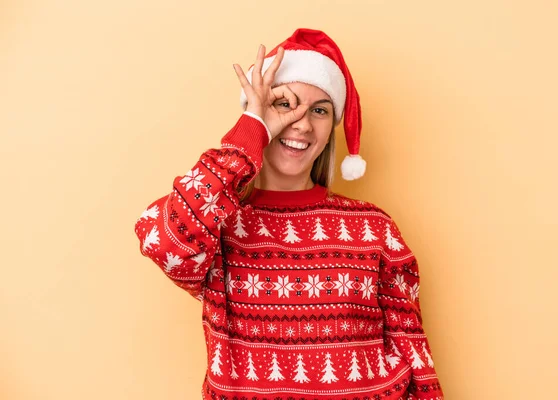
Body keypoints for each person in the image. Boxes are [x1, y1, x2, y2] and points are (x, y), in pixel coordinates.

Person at [134, 28, 443, 400]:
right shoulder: (219, 225)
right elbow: (165, 242)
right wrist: (251, 132)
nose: (302, 123)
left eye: (319, 110)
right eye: (285, 104)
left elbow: (414, 355)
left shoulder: (373, 228)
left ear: (331, 128)